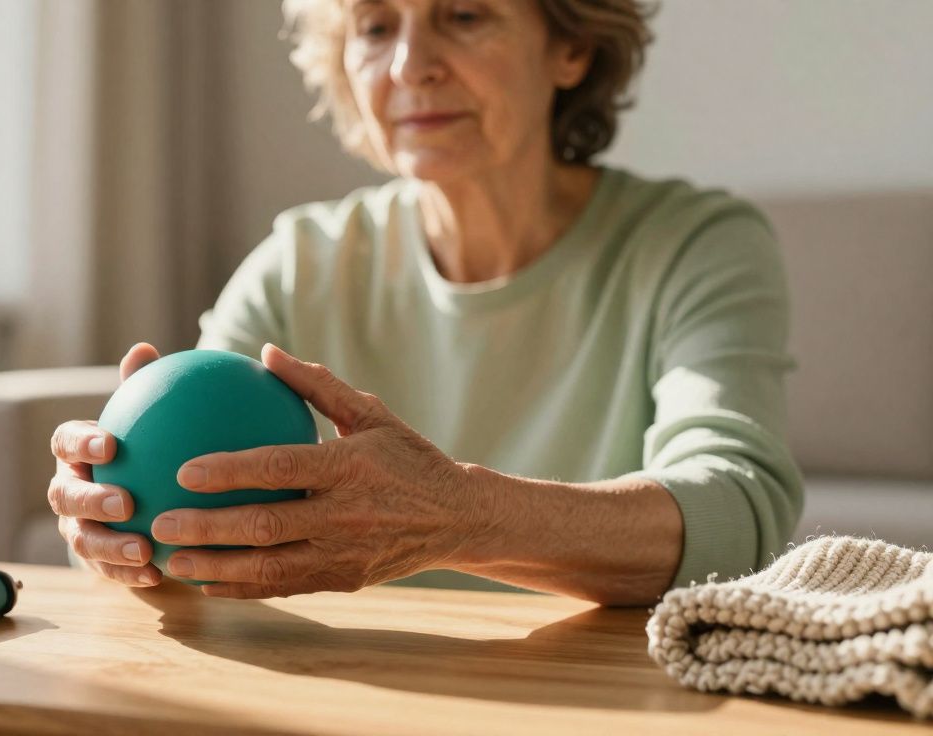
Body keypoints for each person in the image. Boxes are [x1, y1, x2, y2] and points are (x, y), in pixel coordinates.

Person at [48, 0, 803, 605]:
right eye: (376, 26)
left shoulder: (696, 244)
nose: (411, 65)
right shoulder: (300, 261)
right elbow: (180, 514)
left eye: (465, 16)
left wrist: (459, 517)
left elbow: (737, 512)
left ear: (569, 46)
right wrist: (115, 526)